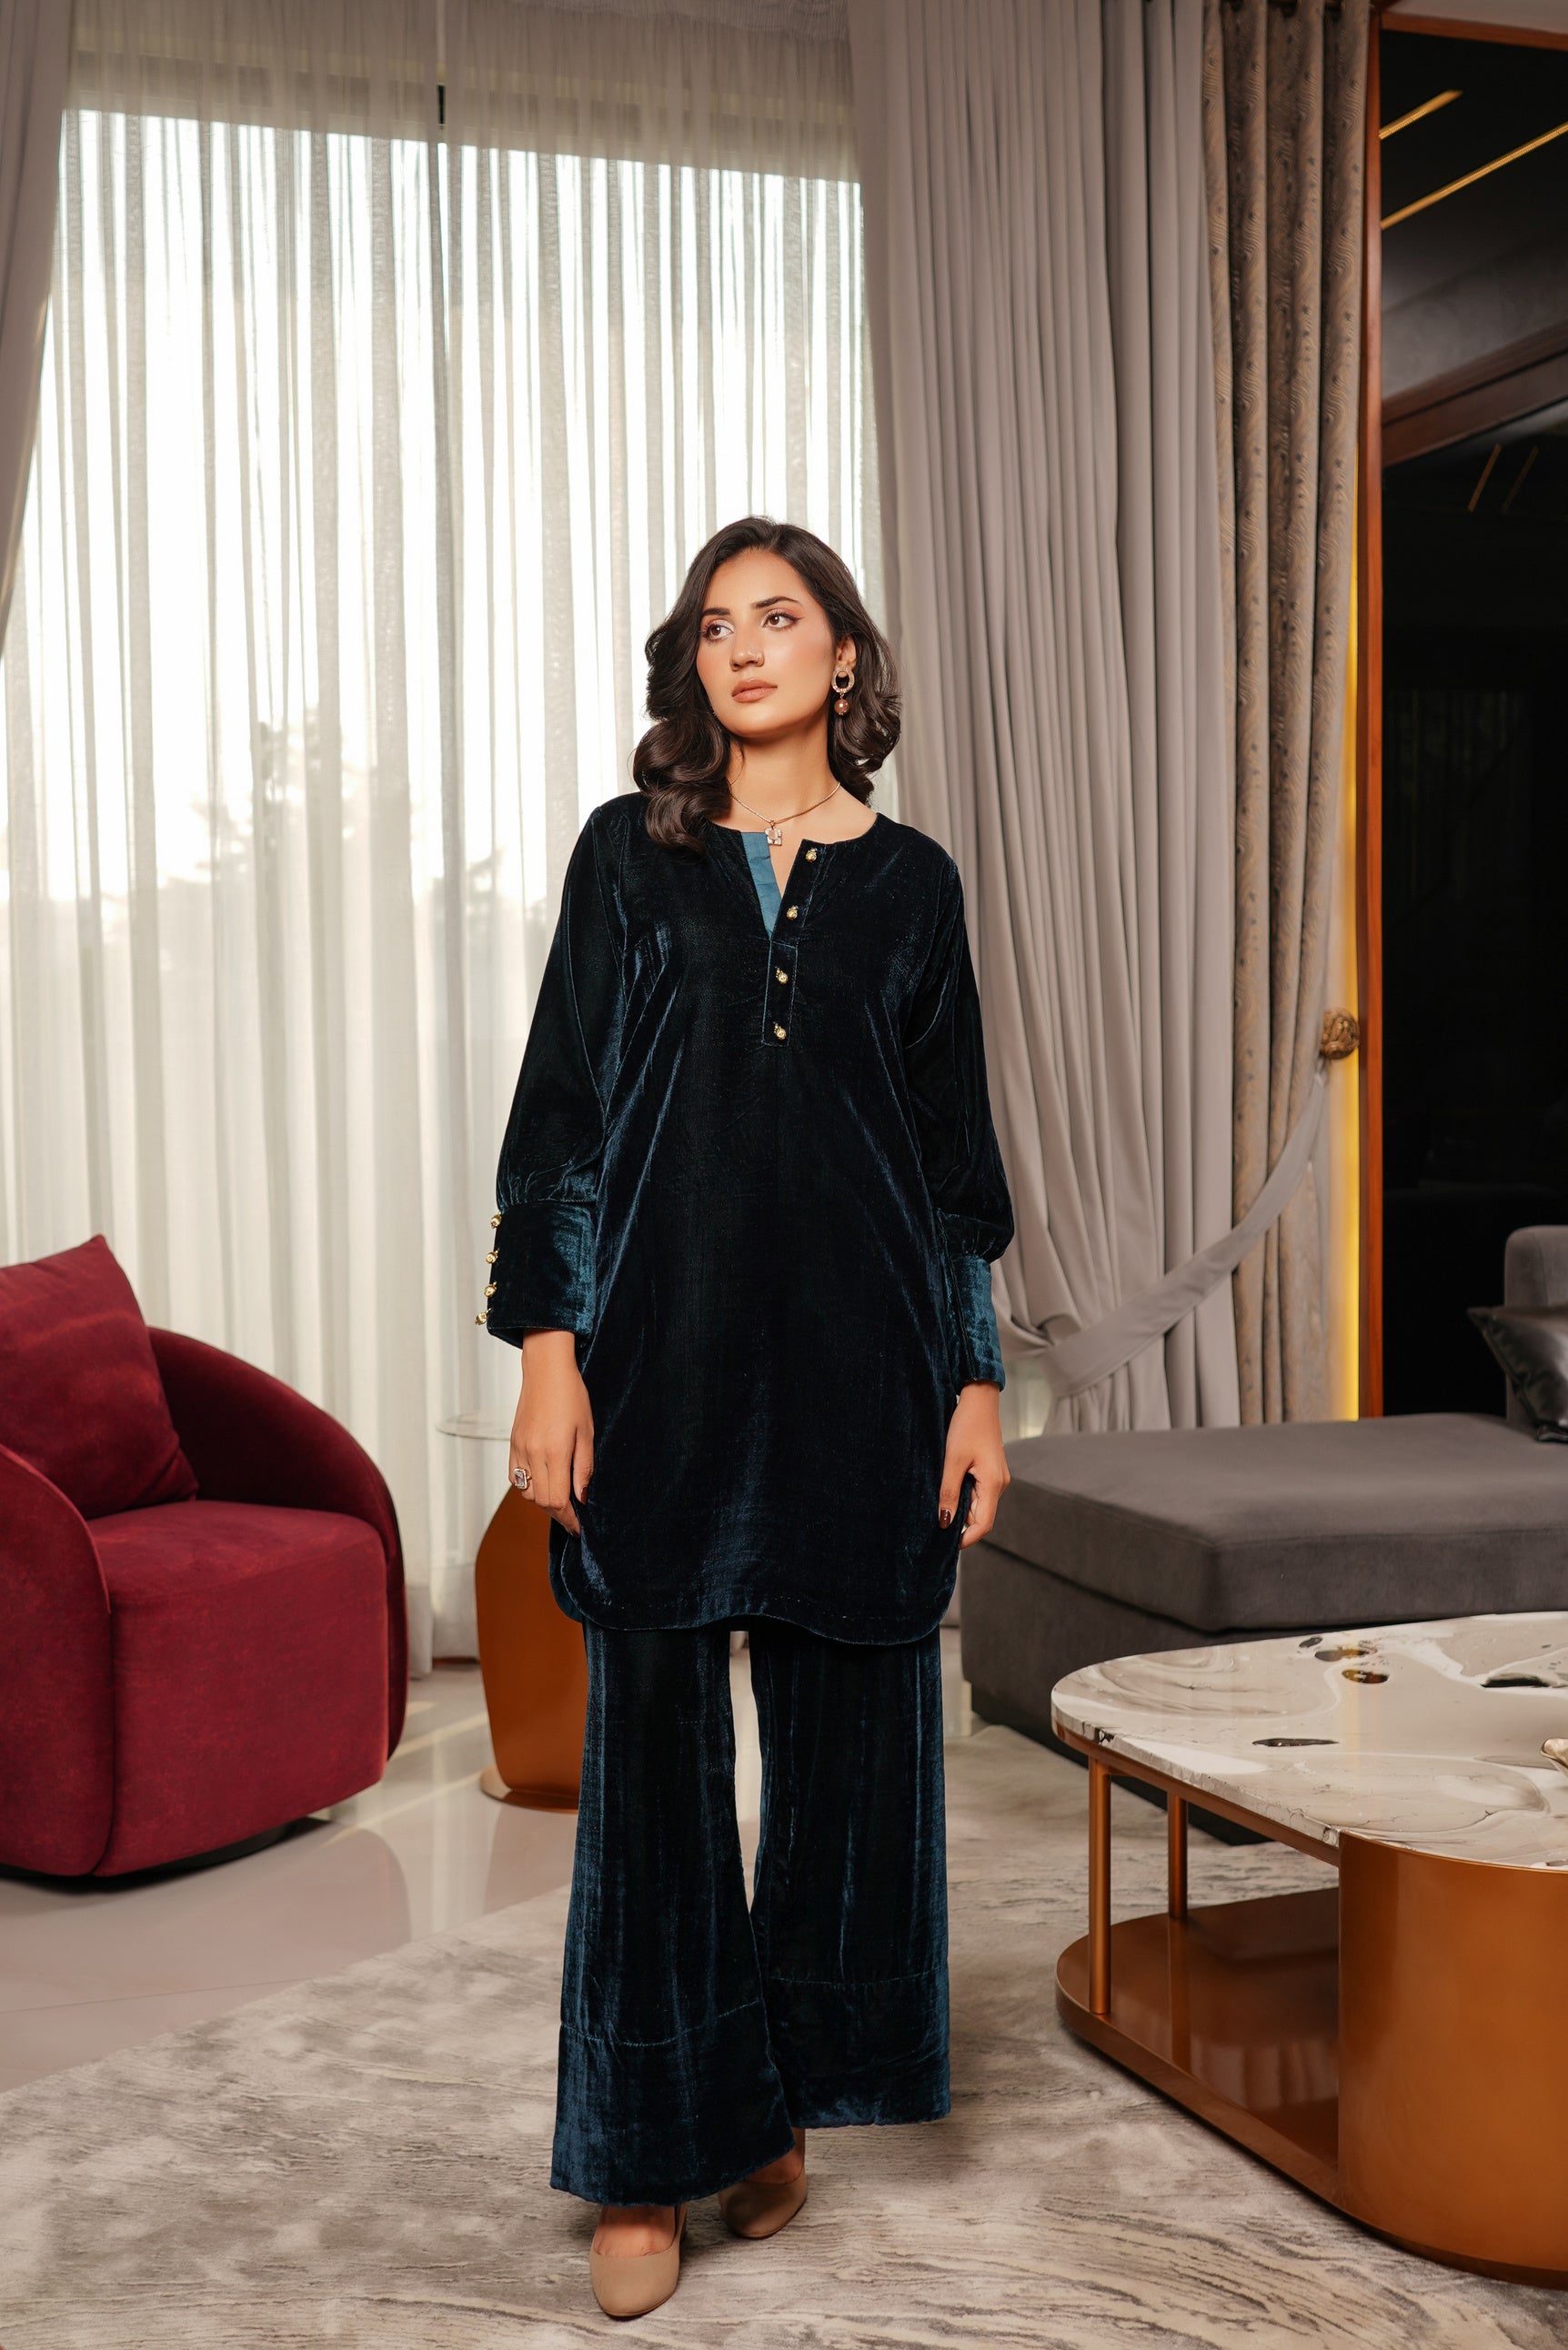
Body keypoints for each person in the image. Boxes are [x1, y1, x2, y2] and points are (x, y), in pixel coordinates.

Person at [485, 516, 1014, 2320]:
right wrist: (548, 1351)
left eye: (780, 618)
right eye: (717, 626)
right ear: (692, 664)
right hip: (659, 1371)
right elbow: (559, 1129)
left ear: (843, 655)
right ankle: (647, 2148)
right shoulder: (628, 858)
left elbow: (951, 1177)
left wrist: (975, 1384)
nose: (746, 648)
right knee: (651, 1774)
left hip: (866, 1378)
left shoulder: (916, 886)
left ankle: (773, 2097)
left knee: (848, 1763)